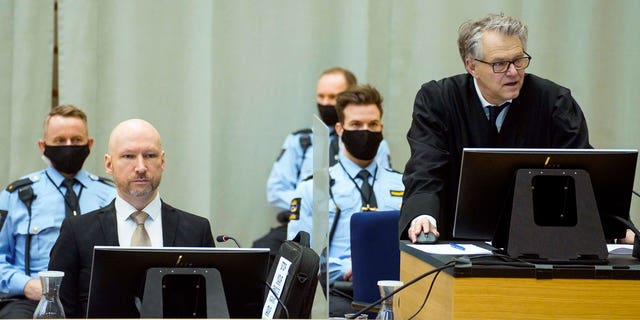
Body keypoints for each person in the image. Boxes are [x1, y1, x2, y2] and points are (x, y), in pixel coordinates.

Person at [399, 13, 595, 242]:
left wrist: (618, 225)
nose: (513, 72)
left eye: (519, 60)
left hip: (538, 239)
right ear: (471, 66)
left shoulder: (554, 101)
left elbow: (583, 172)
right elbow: (425, 165)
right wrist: (423, 215)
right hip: (453, 239)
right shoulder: (438, 99)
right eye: (500, 64)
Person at [48, 119, 215, 318]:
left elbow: (212, 308)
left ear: (162, 161)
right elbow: (59, 309)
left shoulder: (196, 231)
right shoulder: (77, 232)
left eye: (150, 155)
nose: (141, 167)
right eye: (128, 156)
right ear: (109, 164)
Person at [286, 85, 404, 316]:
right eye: (356, 125)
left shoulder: (405, 185)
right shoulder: (313, 189)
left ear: (381, 127)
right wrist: (347, 268)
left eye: (372, 124)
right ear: (340, 129)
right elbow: (300, 259)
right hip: (339, 293)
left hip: (400, 291)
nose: (365, 131)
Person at [255, 67, 392, 259]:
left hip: (356, 223)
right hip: (306, 220)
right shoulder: (301, 141)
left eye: (332, 96)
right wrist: (315, 203)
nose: (326, 103)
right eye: (321, 96)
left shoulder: (375, 142)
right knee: (266, 253)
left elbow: (381, 187)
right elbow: (276, 191)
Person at [0, 105, 116, 319]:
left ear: (89, 144)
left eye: (76, 140)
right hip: (31, 301)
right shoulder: (15, 196)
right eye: (60, 141)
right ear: (43, 146)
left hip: (94, 301)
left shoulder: (111, 195)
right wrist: (25, 285)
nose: (69, 146)